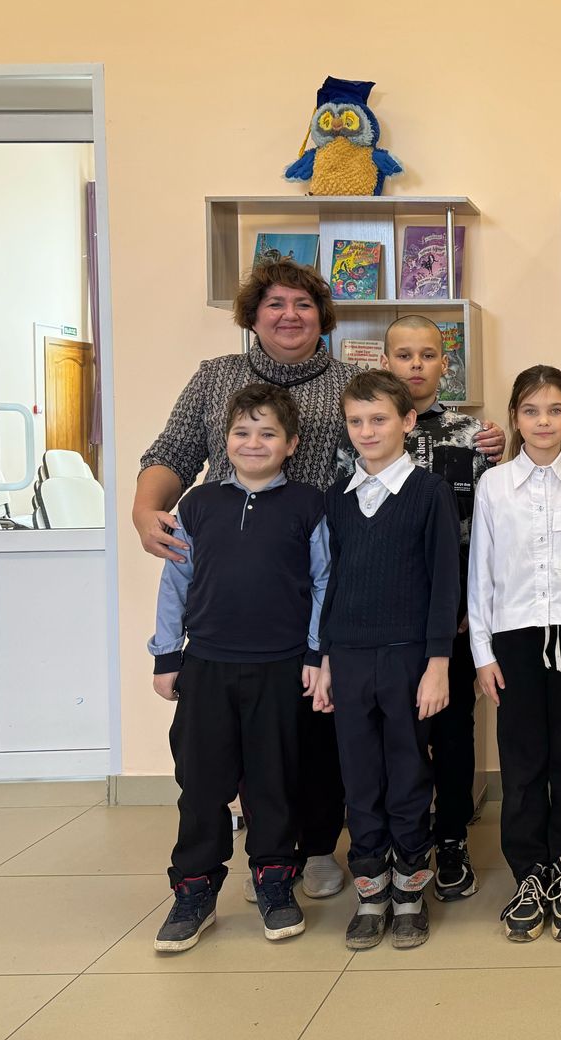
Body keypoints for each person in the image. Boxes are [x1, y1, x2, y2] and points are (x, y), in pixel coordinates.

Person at [135, 260, 504, 903]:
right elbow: (171, 452)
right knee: (266, 744)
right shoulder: (215, 378)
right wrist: (146, 510)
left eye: (303, 305)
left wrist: (491, 439)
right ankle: (273, 857)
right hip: (263, 590)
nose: (289, 316)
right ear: (253, 314)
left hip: (348, 589)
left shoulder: (346, 385)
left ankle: (326, 850)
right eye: (275, 304)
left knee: (331, 736)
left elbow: (400, 437)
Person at [149, 384, 329, 953]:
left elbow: (324, 582)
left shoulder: (308, 505)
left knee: (274, 781)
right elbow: (175, 582)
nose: (254, 443)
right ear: (224, 440)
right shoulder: (198, 505)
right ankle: (194, 889)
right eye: (242, 432)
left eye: (268, 433)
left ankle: (274, 879)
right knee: (202, 782)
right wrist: (166, 654)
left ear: (291, 443)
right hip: (207, 665)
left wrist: (315, 652)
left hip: (280, 667)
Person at [334, 315, 504, 904]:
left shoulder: (473, 435)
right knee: (386, 741)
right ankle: (386, 849)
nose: (415, 364)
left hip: (452, 612)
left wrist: (474, 602)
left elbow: (490, 524)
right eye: (403, 355)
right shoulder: (353, 438)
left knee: (451, 731)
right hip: (381, 620)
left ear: (444, 363)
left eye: (427, 355)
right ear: (384, 362)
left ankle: (451, 838)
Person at [312, 371, 461, 950]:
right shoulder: (338, 497)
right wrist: (325, 658)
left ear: (407, 421)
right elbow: (331, 583)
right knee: (359, 776)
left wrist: (438, 663)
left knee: (407, 773)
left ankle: (409, 889)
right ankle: (370, 888)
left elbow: (445, 583)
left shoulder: (429, 492)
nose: (367, 431)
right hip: (349, 657)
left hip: (408, 659)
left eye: (379, 419)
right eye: (356, 421)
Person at [468, 366, 561, 942]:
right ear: (515, 418)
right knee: (523, 762)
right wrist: (482, 652)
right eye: (531, 411)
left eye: (555, 410)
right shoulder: (494, 485)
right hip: (514, 639)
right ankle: (529, 874)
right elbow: (481, 572)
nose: (543, 421)